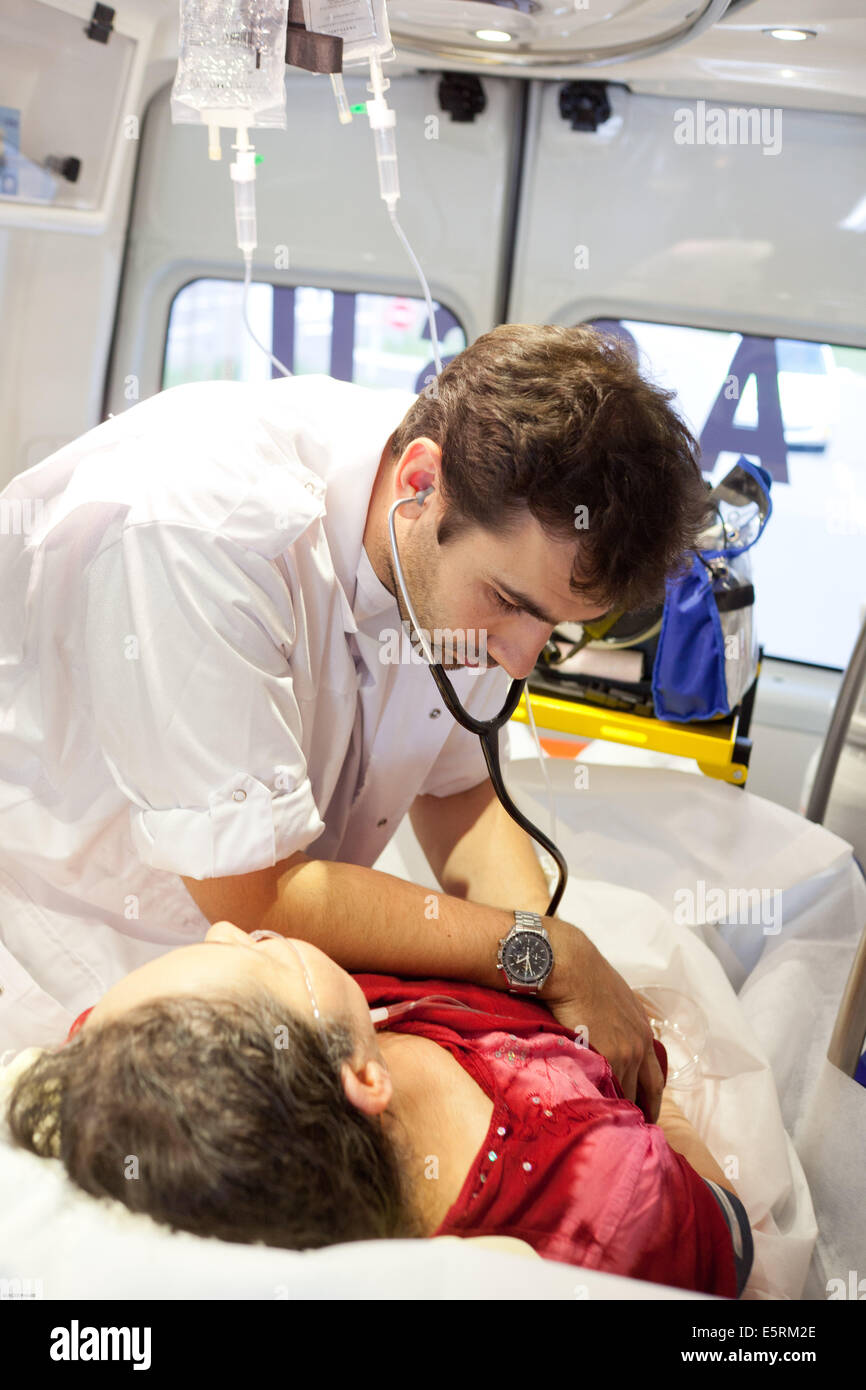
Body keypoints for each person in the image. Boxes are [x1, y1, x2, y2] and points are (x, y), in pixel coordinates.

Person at [0, 323, 711, 1117]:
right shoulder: (202, 529)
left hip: (275, 960)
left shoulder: (468, 538)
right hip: (60, 935)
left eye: (554, 628)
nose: (518, 660)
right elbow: (258, 896)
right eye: (509, 604)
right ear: (419, 480)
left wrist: (546, 995)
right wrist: (544, 955)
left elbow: (459, 798)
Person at [3, 921, 753, 1297]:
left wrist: (546, 947)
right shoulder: (605, 1196)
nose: (229, 926)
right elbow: (730, 1226)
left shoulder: (145, 1071)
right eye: (260, 954)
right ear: (363, 1076)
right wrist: (666, 1097)